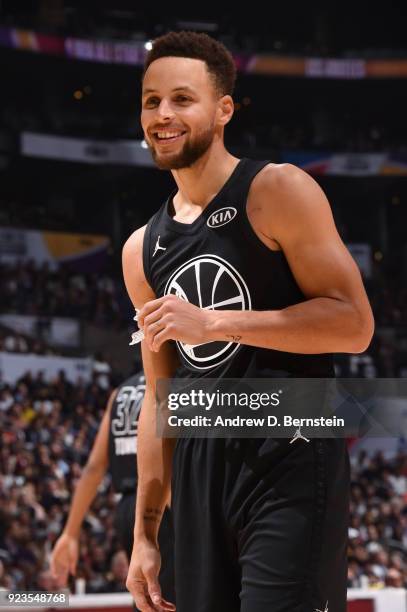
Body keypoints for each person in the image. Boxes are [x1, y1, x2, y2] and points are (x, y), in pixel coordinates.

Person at [122, 30, 374, 612]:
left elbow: (353, 324)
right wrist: (144, 534)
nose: (163, 114)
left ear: (223, 108)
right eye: (150, 100)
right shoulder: (141, 249)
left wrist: (214, 324)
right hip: (198, 474)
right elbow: (159, 399)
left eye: (183, 99)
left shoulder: (277, 189)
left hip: (289, 449)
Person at [50, 372, 175, 609]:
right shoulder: (174, 382)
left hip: (126, 509)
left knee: (147, 596)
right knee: (173, 597)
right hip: (160, 503)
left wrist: (70, 531)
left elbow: (94, 468)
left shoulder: (120, 393)